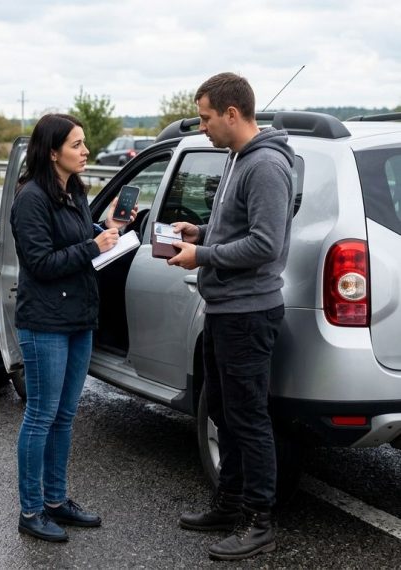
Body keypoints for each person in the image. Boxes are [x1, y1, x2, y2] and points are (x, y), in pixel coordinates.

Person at [167, 72, 295, 561]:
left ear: (232, 113)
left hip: (249, 313)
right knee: (221, 411)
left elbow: (266, 244)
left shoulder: (266, 165)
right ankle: (229, 504)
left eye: (206, 118)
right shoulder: (238, 157)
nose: (202, 127)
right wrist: (201, 232)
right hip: (224, 310)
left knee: (248, 419)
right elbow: (238, 228)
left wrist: (201, 256)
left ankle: (260, 523)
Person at [10, 113, 134, 542]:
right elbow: (40, 263)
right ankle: (31, 510)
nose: (86, 151)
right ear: (52, 152)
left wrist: (109, 230)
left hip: (79, 318)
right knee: (40, 416)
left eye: (84, 143)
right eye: (77, 144)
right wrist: (91, 246)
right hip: (44, 322)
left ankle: (56, 500)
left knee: (64, 415)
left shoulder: (74, 191)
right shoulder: (31, 198)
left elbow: (79, 237)